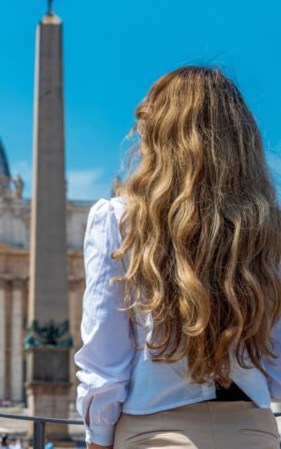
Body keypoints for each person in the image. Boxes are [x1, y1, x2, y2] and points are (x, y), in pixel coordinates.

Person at [75, 67, 281, 449]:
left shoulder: (117, 220)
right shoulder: (270, 227)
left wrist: (98, 437)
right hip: (253, 431)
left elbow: (105, 361)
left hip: (153, 430)